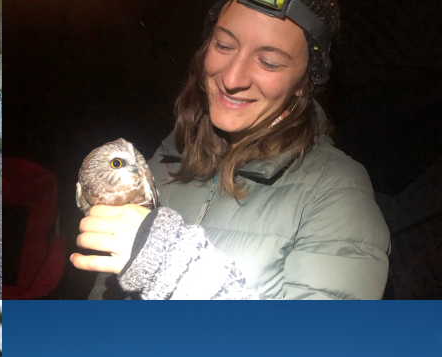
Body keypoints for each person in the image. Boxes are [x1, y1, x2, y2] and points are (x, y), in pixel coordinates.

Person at [72, 0, 390, 300]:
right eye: (224, 45)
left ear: (302, 84)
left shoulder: (338, 193)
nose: (232, 78)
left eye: (270, 62)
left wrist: (178, 271)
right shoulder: (164, 160)